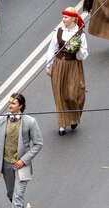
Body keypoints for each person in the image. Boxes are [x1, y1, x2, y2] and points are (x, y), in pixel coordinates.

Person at [0, 93, 43, 208]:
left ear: (20, 106)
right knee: (11, 193)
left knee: (18, 195)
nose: (10, 105)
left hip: (21, 166)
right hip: (6, 164)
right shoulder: (1, 120)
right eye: (9, 102)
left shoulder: (30, 122)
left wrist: (24, 160)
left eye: (13, 103)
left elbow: (38, 144)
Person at [45, 7, 88, 136]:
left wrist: (78, 49)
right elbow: (52, 49)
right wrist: (49, 64)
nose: (63, 20)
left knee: (72, 94)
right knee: (59, 95)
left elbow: (83, 55)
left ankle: (74, 117)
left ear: (73, 18)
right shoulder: (59, 31)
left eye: (66, 17)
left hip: (73, 65)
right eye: (63, 17)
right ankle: (62, 124)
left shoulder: (80, 34)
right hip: (59, 65)